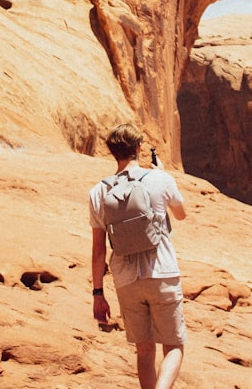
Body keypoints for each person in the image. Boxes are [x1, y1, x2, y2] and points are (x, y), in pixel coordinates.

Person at [89, 123, 187, 389]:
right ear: (139, 148)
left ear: (112, 152)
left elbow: (99, 249)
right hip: (162, 272)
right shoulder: (160, 179)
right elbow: (180, 213)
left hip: (126, 280)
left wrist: (98, 294)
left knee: (144, 350)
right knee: (174, 345)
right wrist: (164, 174)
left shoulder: (98, 192)